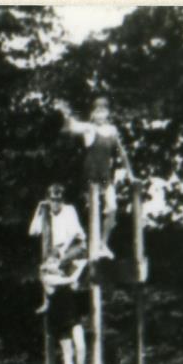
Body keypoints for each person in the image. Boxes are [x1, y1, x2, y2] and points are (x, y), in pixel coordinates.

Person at [57, 96, 135, 257]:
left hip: (106, 176)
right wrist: (66, 113)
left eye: (103, 110)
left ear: (108, 113)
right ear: (93, 113)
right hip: (90, 176)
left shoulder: (112, 131)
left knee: (112, 209)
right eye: (97, 110)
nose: (100, 114)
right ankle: (88, 245)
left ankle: (103, 244)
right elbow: (71, 127)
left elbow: (122, 154)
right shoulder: (89, 128)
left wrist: (130, 175)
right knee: (93, 210)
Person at [28, 181, 87, 311]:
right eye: (53, 200)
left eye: (58, 200)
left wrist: (62, 251)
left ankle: (72, 277)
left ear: (62, 200)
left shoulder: (69, 210)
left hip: (75, 245)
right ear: (48, 200)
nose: (56, 203)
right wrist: (38, 210)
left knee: (54, 265)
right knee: (43, 270)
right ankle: (49, 300)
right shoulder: (47, 214)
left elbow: (73, 234)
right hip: (58, 250)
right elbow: (32, 232)